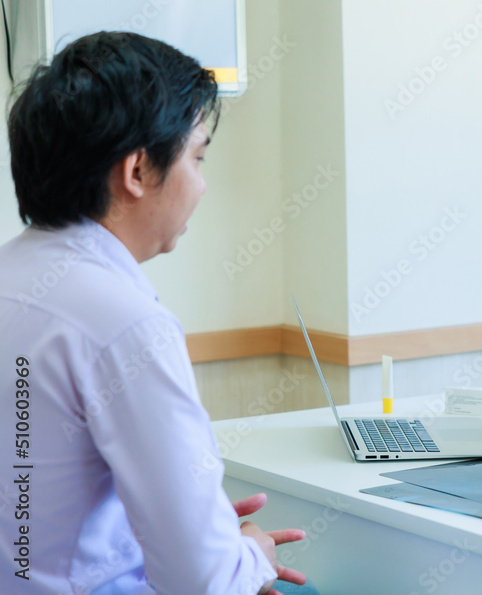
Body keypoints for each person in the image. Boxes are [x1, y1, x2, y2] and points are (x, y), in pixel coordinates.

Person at [0, 32, 317, 594]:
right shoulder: (124, 324)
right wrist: (248, 555)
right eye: (197, 156)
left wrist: (196, 527)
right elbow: (202, 582)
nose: (201, 184)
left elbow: (37, 503)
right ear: (137, 172)